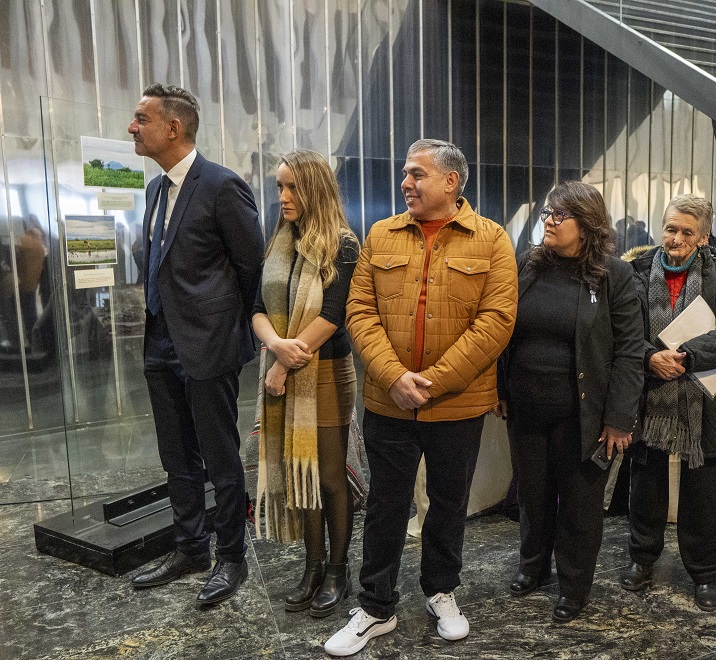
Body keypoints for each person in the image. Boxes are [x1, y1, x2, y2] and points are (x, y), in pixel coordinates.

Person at [326, 139, 517, 656]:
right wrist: (393, 376)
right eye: (406, 174)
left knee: (449, 503)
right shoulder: (380, 234)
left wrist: (431, 380)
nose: (405, 183)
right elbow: (359, 310)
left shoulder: (491, 240)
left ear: (451, 182)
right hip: (388, 401)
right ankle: (375, 607)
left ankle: (441, 591)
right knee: (385, 505)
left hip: (458, 404)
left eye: (417, 174)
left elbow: (496, 322)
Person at [128, 84, 264, 606]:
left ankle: (231, 556)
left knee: (219, 455)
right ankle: (190, 547)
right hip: (160, 341)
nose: (132, 128)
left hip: (209, 345)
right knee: (176, 454)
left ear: (173, 127)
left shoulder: (222, 185)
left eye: (141, 119)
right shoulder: (155, 189)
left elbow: (251, 267)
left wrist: (232, 332)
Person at [496, 181, 643, 623]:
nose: (549, 221)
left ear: (587, 223)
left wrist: (619, 419)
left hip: (584, 415)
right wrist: (501, 390)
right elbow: (504, 333)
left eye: (560, 215)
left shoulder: (614, 275)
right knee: (532, 496)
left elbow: (630, 351)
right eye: (547, 212)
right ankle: (533, 566)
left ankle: (574, 586)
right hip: (526, 408)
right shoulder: (528, 264)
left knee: (579, 506)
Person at [620, 194, 716, 612]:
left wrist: (685, 356)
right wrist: (650, 357)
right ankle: (642, 559)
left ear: (703, 237)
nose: (676, 238)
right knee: (645, 488)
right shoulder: (634, 272)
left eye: (687, 232)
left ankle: (704, 573)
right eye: (670, 229)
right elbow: (620, 331)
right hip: (649, 395)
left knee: (702, 494)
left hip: (707, 400)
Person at [250, 150, 359, 617]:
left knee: (329, 477)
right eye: (279, 186)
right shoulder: (280, 241)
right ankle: (312, 567)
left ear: (315, 188)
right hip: (285, 365)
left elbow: (333, 316)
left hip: (327, 373)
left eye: (292, 187)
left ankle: (337, 570)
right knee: (300, 475)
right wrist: (276, 344)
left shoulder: (343, 244)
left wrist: (281, 364)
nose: (283, 196)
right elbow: (257, 308)